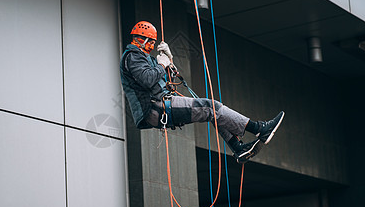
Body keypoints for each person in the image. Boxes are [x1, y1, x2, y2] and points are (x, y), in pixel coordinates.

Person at [120, 20, 284, 163]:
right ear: (143, 40)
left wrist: (168, 61)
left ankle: (238, 148)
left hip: (160, 106)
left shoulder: (141, 57)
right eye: (151, 43)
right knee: (211, 107)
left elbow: (162, 79)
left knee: (212, 112)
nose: (152, 47)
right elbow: (148, 80)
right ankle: (258, 128)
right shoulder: (133, 56)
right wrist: (162, 64)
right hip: (157, 108)